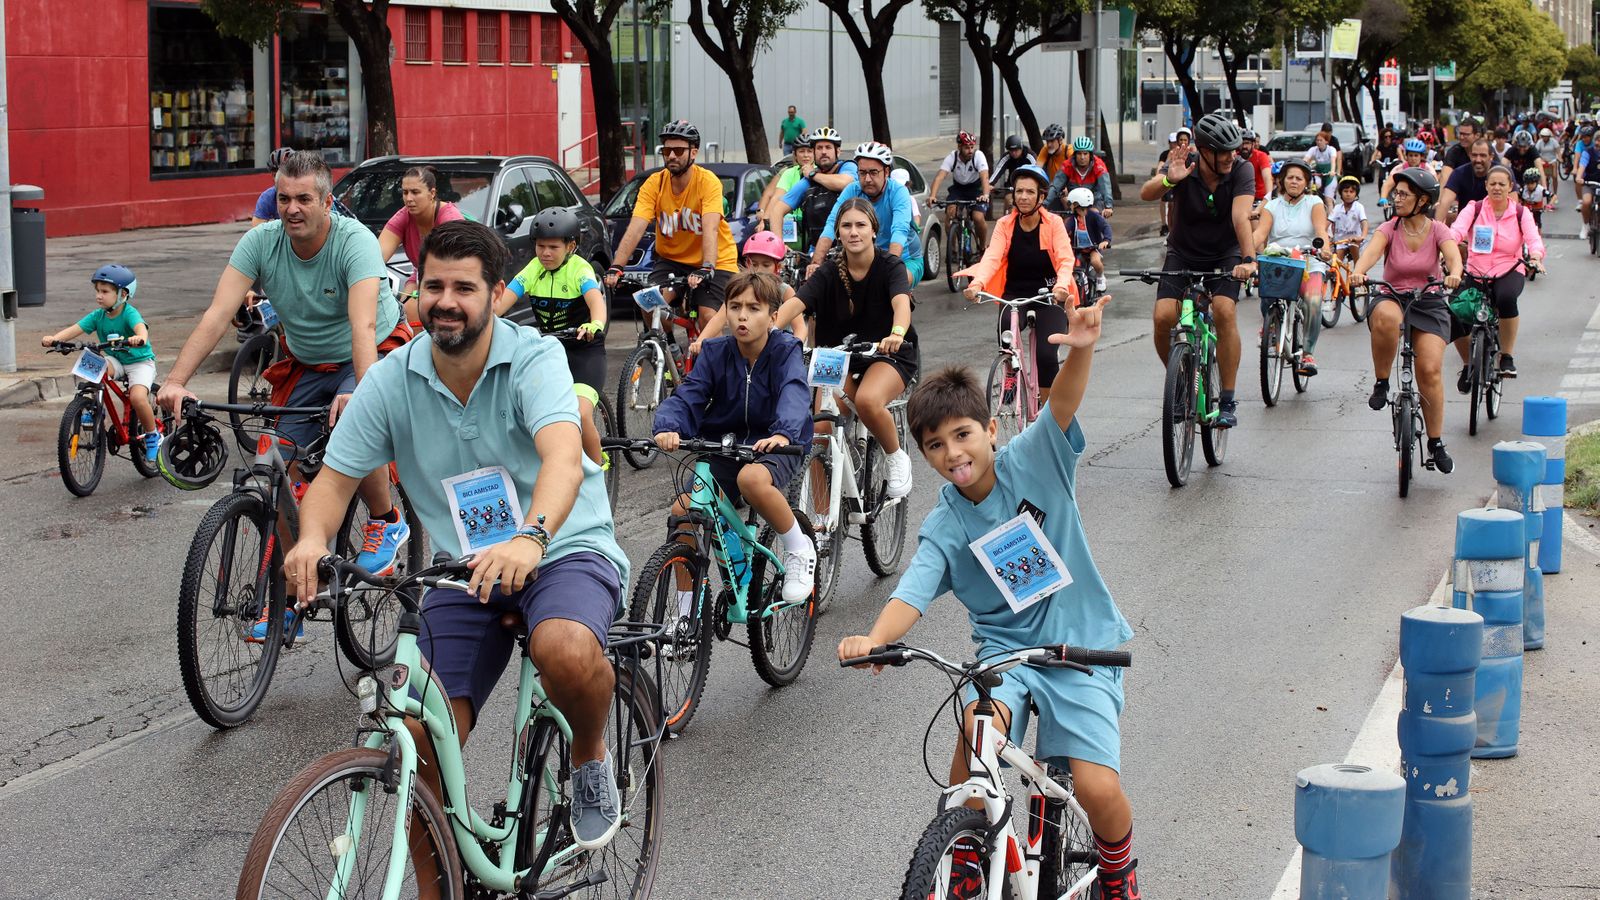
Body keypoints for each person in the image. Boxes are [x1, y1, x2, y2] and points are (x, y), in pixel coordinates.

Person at [282, 219, 631, 879]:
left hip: (560, 546)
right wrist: (308, 539)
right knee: (413, 735)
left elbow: (561, 457)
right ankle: (442, 889)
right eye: (431, 284)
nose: (444, 299)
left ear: (497, 294)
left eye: (463, 287)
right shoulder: (393, 379)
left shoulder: (534, 360)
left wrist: (530, 539)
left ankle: (589, 755)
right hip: (462, 569)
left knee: (563, 648)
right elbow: (333, 480)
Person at [837, 295, 1143, 899]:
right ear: (923, 455)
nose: (954, 454)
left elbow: (1062, 402)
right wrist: (874, 638)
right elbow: (913, 593)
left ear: (991, 430)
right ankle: (967, 849)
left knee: (1095, 787)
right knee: (979, 732)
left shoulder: (1033, 461)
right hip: (1007, 655)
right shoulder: (945, 526)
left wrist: (1080, 351)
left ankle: (1119, 872)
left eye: (963, 435)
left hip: (1080, 646)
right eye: (934, 445)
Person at [157, 150, 412, 587]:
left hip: (369, 350)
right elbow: (218, 314)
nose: (292, 208)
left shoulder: (355, 242)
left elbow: (363, 325)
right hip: (307, 361)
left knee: (357, 421)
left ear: (327, 202)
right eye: (283, 198)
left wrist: (364, 391)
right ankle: (292, 594)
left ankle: (385, 519)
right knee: (280, 475)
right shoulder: (261, 242)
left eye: (304, 199)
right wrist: (176, 382)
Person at [654, 271, 816, 604]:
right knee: (683, 511)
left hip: (777, 443)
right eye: (735, 306)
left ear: (773, 317)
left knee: (752, 480)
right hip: (724, 445)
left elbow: (794, 393)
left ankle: (800, 549)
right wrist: (668, 426)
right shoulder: (714, 352)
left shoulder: (786, 350)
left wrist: (784, 432)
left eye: (754, 308)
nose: (742, 315)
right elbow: (690, 394)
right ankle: (686, 611)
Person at [775, 198, 917, 499]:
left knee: (867, 400)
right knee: (820, 431)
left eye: (860, 225)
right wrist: (770, 330)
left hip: (886, 354)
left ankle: (895, 456)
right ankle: (821, 531)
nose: (854, 232)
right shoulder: (828, 272)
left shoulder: (890, 266)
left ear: (874, 231)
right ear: (838, 232)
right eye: (847, 226)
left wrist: (897, 332)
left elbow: (901, 304)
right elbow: (796, 303)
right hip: (837, 357)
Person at [1139, 112, 1256, 428]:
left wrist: (1248, 260)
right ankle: (1177, 380)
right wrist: (1168, 180)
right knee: (1163, 317)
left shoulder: (1242, 170)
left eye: (1234, 149)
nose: (1232, 156)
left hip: (1225, 253)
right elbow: (1146, 193)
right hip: (1183, 252)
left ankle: (1228, 399)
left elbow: (1240, 217)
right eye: (1224, 151)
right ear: (1204, 152)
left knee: (1224, 310)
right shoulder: (1182, 163)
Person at [1349, 167, 1464, 474]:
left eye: (1403, 194)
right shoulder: (1389, 228)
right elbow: (1370, 253)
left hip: (1429, 300)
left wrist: (1454, 274)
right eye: (1396, 192)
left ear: (1422, 200)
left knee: (1430, 370)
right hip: (1393, 295)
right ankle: (1382, 382)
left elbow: (1453, 256)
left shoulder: (1438, 229)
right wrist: (1359, 271)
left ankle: (1436, 442)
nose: (1396, 198)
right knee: (1386, 317)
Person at [497, 207, 609, 474]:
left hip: (584, 352)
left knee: (581, 414)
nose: (545, 253)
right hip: (549, 351)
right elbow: (502, 303)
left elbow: (596, 301)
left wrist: (595, 324)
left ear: (570, 246)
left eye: (553, 247)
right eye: (540, 246)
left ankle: (597, 470)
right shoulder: (534, 268)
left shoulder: (579, 269)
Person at [605, 120, 737, 336]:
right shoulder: (654, 183)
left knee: (707, 317)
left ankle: (712, 366)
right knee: (648, 302)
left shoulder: (708, 182)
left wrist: (707, 267)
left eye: (678, 150)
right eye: (667, 150)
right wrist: (617, 266)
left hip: (716, 260)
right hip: (672, 260)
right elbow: (636, 228)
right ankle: (669, 353)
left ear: (693, 152)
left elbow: (711, 228)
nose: (672, 156)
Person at [954, 164, 1077, 387]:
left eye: (1030, 192)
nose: (1023, 197)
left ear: (1041, 196)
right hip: (1014, 296)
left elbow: (1065, 259)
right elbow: (991, 257)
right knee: (1006, 341)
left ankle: (1049, 414)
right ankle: (1010, 373)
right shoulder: (1005, 224)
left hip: (1049, 296)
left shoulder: (1054, 224)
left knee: (1046, 356)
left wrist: (1061, 286)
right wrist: (978, 284)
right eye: (1019, 191)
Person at [42, 264, 161, 461]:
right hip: (116, 360)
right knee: (91, 361)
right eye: (97, 291)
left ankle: (152, 436)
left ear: (123, 294)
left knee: (137, 398)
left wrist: (139, 337)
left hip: (139, 362)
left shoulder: (129, 313)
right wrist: (55, 339)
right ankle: (92, 407)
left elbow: (141, 328)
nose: (99, 295)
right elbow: (76, 328)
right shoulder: (98, 316)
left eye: (105, 291)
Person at [1448, 166, 1544, 383]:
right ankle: (1467, 364)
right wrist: (1444, 247)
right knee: (1455, 310)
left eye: (1502, 184)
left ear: (1510, 187)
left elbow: (1533, 239)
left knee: (1506, 298)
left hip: (1508, 270)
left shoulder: (1521, 213)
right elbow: (1455, 233)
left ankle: (1507, 356)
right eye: (1493, 184)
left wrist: (1536, 257)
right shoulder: (1474, 209)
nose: (1497, 188)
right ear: (1486, 186)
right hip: (1476, 271)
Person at [1252, 159, 1331, 377]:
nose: (1294, 182)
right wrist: (1247, 251)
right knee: (1267, 292)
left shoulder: (1314, 202)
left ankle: (1307, 353)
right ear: (1282, 181)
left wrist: (1324, 248)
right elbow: (1260, 234)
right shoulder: (1272, 205)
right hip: (1279, 259)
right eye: (1290, 177)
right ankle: (1271, 326)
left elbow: (1320, 230)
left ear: (1306, 182)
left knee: (1314, 301)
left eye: (1299, 178)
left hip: (1309, 260)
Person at [809, 141, 925, 284]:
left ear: (887, 172)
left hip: (905, 259)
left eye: (874, 172)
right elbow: (832, 223)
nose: (867, 179)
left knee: (891, 283)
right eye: (862, 173)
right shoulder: (852, 190)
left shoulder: (898, 192)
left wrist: (888, 269)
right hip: (865, 258)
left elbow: (899, 232)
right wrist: (816, 262)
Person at [380, 165, 466, 328]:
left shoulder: (450, 219)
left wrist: (424, 290)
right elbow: (376, 258)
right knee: (406, 311)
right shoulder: (404, 216)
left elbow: (456, 267)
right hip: (421, 275)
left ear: (432, 193)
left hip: (453, 279)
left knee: (418, 310)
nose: (408, 198)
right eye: (405, 192)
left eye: (415, 192)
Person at [763, 126, 858, 255]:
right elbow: (777, 210)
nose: (823, 152)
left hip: (848, 249)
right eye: (819, 148)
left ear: (838, 151)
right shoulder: (807, 181)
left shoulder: (847, 166)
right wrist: (779, 245)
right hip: (816, 250)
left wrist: (813, 175)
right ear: (814, 152)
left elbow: (845, 182)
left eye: (828, 147)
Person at [928, 132, 992, 251]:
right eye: (967, 147)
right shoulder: (952, 157)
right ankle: (953, 249)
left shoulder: (978, 156)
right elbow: (939, 177)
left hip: (976, 189)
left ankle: (983, 247)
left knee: (978, 218)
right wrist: (932, 196)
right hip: (958, 189)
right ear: (959, 147)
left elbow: (984, 177)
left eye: (972, 147)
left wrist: (986, 194)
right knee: (950, 215)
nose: (970, 150)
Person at [760, 133, 814, 252]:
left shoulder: (820, 172)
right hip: (793, 227)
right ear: (795, 154)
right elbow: (777, 197)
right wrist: (765, 220)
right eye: (801, 151)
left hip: (813, 226)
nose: (806, 155)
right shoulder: (789, 173)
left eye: (809, 151)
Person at [1047, 136, 1113, 217]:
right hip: (1074, 202)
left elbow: (1106, 187)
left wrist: (1108, 207)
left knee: (1094, 216)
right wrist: (1044, 204)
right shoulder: (1067, 165)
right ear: (1074, 155)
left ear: (1090, 155)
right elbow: (1055, 186)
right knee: (1066, 220)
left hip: (1094, 201)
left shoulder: (1099, 165)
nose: (1082, 157)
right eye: (1079, 153)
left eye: (1085, 154)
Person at [1065, 187, 1113, 294]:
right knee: (1071, 265)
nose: (1070, 206)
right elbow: (1064, 231)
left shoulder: (1094, 216)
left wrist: (1106, 240)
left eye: (1072, 203)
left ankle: (1100, 276)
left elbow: (1106, 227)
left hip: (1093, 248)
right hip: (1078, 249)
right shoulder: (1072, 219)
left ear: (1079, 204)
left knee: (1095, 261)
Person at [1438, 138, 1495, 225]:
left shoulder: (1502, 174)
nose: (1478, 160)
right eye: (1474, 155)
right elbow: (1445, 202)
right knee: (1450, 216)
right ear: (1469, 155)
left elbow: (1513, 205)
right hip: (1466, 226)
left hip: (1495, 224)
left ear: (1491, 156)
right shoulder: (1459, 173)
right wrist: (1436, 230)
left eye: (1483, 155)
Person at [1155, 128, 1193, 237]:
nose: (1183, 142)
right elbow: (1162, 168)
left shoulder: (1193, 152)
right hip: (1173, 184)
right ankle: (1171, 233)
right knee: (1172, 206)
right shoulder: (1171, 154)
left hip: (1187, 185)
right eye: (1180, 140)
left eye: (1185, 140)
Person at [989, 134, 1038, 214]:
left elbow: (1037, 172)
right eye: (1011, 150)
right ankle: (1005, 222)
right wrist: (991, 184)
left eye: (1016, 150)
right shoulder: (1007, 157)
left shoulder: (1030, 156)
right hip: (1012, 186)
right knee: (1009, 201)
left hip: (1028, 186)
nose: (1014, 153)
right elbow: (998, 171)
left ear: (1021, 148)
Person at [249, 147, 296, 226]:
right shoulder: (269, 197)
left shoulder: (311, 192)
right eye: (275, 175)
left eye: (287, 175)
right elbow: (257, 228)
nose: (280, 180)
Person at [1329, 175, 1370, 263]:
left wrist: (1362, 236)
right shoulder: (1337, 208)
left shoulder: (1359, 207)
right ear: (1341, 193)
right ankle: (1334, 276)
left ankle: (1359, 270)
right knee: (1335, 263)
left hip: (1355, 241)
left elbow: (1364, 222)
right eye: (1345, 191)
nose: (1348, 194)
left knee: (1356, 256)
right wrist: (1325, 236)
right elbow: (1327, 223)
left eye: (1351, 191)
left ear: (1356, 194)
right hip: (1340, 242)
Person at [1380, 139, 1430, 205]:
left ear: (1421, 157)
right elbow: (1388, 184)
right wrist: (1383, 198)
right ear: (1406, 156)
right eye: (1410, 155)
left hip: (1421, 202)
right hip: (1402, 201)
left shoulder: (1428, 168)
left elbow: (1435, 185)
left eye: (1416, 155)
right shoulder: (1399, 168)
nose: (1413, 158)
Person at [1303, 130, 1341, 203]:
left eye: (1321, 140)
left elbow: (1333, 161)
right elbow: (1305, 160)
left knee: (1328, 200)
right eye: (1317, 140)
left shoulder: (1331, 149)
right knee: (1312, 187)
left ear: (1326, 141)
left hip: (1329, 176)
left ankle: (1330, 211)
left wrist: (1332, 171)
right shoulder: (1313, 149)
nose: (1319, 142)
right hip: (1318, 175)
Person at [1438, 117, 1479, 185]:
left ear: (1477, 135)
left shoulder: (1487, 150)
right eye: (1461, 134)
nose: (1462, 137)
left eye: (1466, 134)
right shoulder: (1454, 151)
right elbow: (1445, 177)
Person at [1239, 130, 1273, 203]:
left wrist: (1268, 197)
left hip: (1259, 197)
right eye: (1242, 143)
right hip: (1240, 196)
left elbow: (1267, 177)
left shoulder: (1261, 156)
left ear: (1253, 144)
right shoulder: (1235, 156)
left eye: (1247, 143)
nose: (1244, 146)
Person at [1535, 126, 1562, 208]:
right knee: (1543, 178)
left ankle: (1555, 193)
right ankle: (1545, 194)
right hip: (1543, 161)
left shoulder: (1554, 142)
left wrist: (1560, 158)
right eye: (1543, 136)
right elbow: (1536, 152)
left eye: (1546, 136)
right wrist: (1541, 160)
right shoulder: (1539, 143)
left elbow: (1558, 151)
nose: (1545, 138)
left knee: (1554, 177)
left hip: (1552, 160)